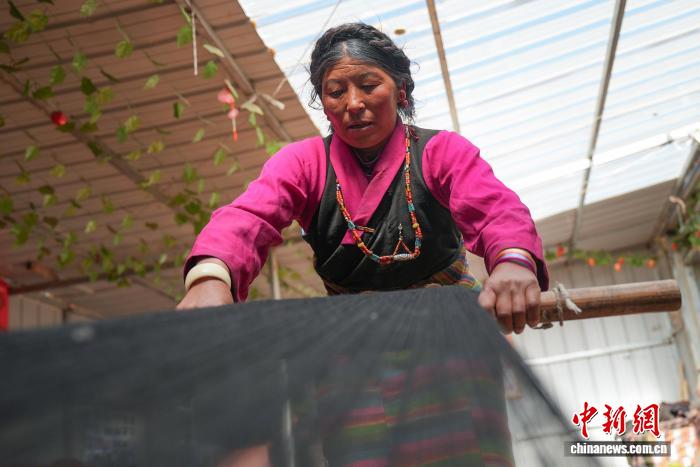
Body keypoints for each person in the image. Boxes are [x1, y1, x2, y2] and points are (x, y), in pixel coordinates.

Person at [178, 22, 549, 466]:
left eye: (369, 85)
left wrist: (513, 262)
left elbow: (496, 208)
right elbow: (249, 216)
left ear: (401, 90)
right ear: (324, 103)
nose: (353, 103)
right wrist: (211, 277)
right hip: (351, 356)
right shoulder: (303, 163)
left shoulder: (442, 151)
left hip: (450, 344)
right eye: (336, 92)